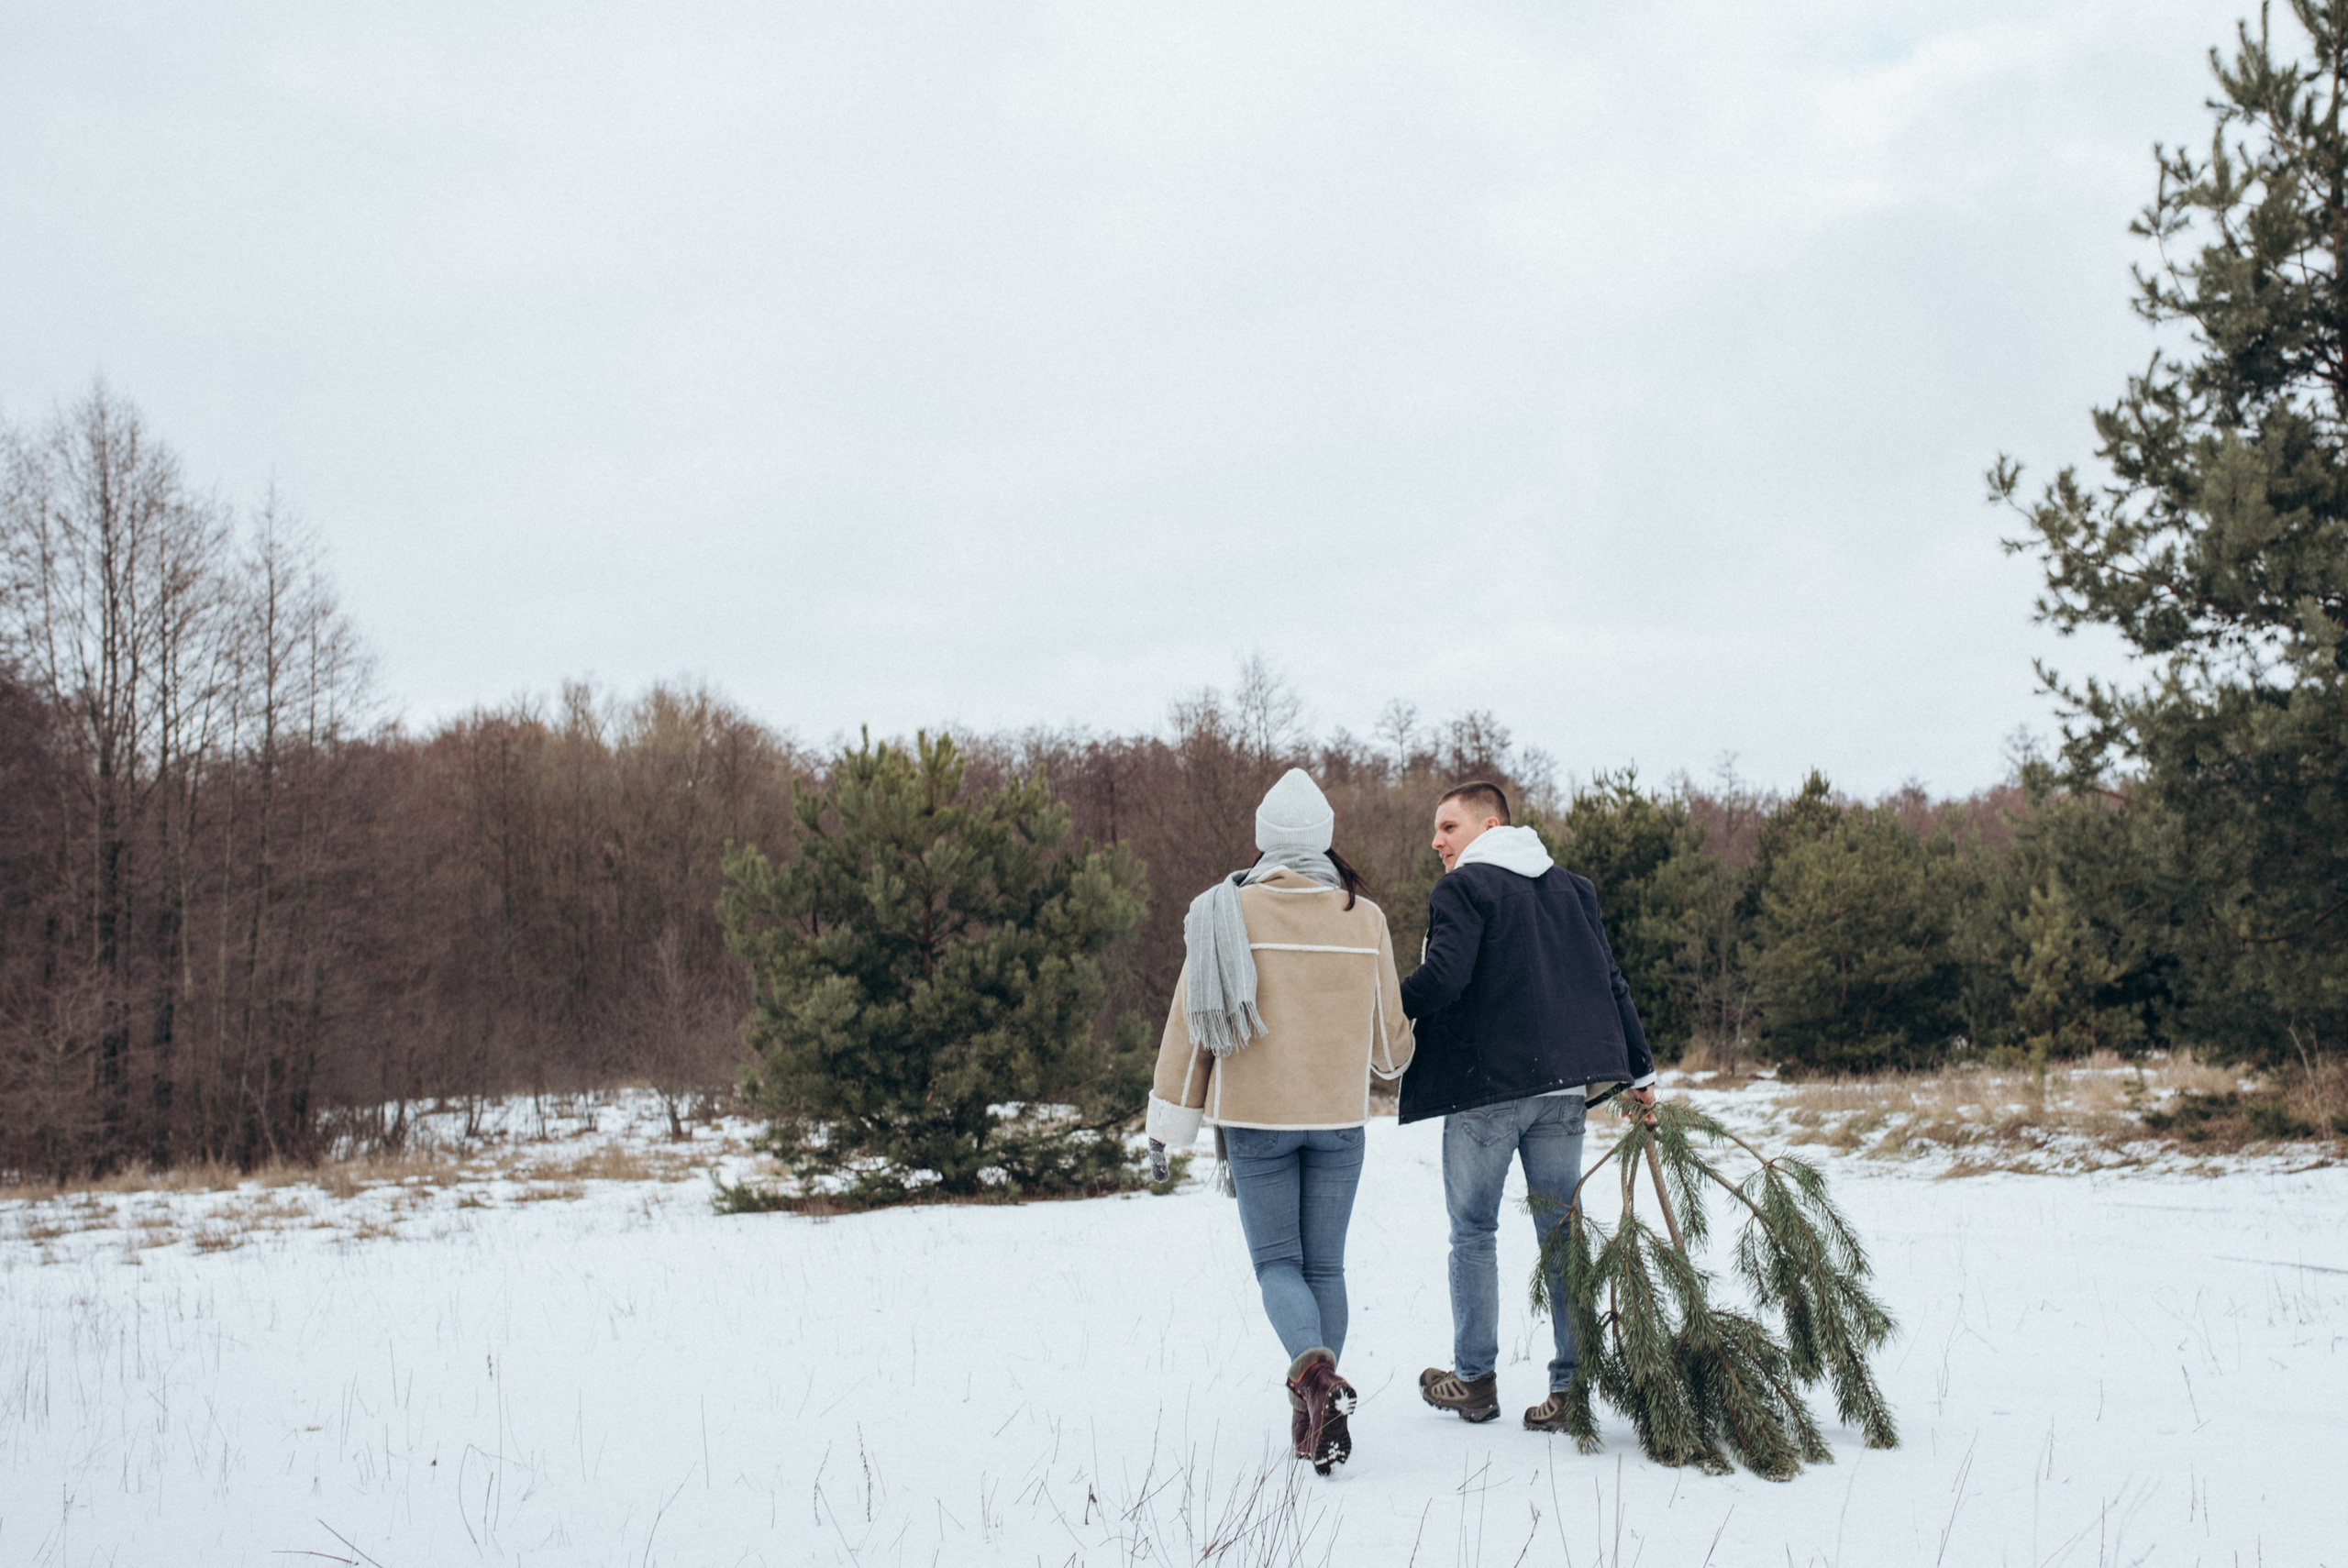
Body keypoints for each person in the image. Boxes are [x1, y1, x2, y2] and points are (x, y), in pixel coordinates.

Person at [1146, 767, 1414, 1475]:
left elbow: (1189, 1028)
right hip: (1338, 1121)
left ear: (1264, 840)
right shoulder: (1366, 917)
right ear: (1324, 840)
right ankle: (1314, 1407)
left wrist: (1168, 1122)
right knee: (1325, 1266)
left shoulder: (1223, 912)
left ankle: (1316, 1381)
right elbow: (1390, 1053)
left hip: (1255, 1122)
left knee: (1277, 1265)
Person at [1397, 780, 1656, 1431]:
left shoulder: (1463, 889)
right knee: (1561, 1235)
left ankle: (1475, 1381)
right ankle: (1571, 1389)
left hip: (1486, 1093)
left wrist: (1382, 1002)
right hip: (1562, 1095)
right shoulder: (1572, 889)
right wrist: (1640, 1070)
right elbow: (1610, 981)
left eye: (1448, 827)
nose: (1436, 842)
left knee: (1473, 1233)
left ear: (1490, 827)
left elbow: (1445, 978)